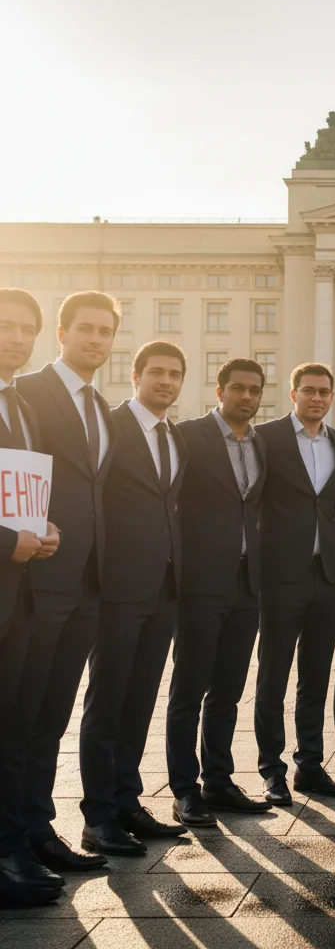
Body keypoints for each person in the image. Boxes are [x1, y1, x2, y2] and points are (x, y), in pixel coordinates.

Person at [12, 291, 120, 875]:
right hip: (38, 573)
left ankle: (38, 824)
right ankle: (17, 834)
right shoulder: (27, 394)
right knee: (25, 711)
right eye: (85, 329)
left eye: (105, 331)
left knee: (53, 713)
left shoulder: (101, 405)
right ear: (61, 332)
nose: (95, 339)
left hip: (87, 582)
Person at [79, 341, 190, 856]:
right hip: (119, 586)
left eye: (174, 374)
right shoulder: (112, 427)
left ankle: (126, 800)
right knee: (108, 701)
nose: (166, 381)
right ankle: (97, 816)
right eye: (157, 373)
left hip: (163, 589)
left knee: (141, 699)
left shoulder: (175, 437)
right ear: (136, 375)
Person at [166, 358, 271, 827]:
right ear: (220, 390)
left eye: (253, 390)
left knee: (228, 688)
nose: (246, 397)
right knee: (190, 687)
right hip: (201, 582)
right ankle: (184, 790)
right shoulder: (189, 435)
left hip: (248, 583)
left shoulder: (260, 443)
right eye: (238, 389)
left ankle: (219, 780)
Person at [254, 363, 335, 806]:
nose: (316, 398)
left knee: (315, 676)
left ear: (331, 397)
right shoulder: (267, 438)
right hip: (281, 574)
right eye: (308, 390)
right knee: (273, 675)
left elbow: (333, 507)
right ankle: (271, 770)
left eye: (324, 392)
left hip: (327, 574)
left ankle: (309, 765)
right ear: (293, 394)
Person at [0, 289, 62, 905]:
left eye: (26, 329)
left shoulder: (21, 405)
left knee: (14, 724)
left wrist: (40, 530)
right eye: (6, 327)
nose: (17, 338)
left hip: (18, 594)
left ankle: (12, 844)